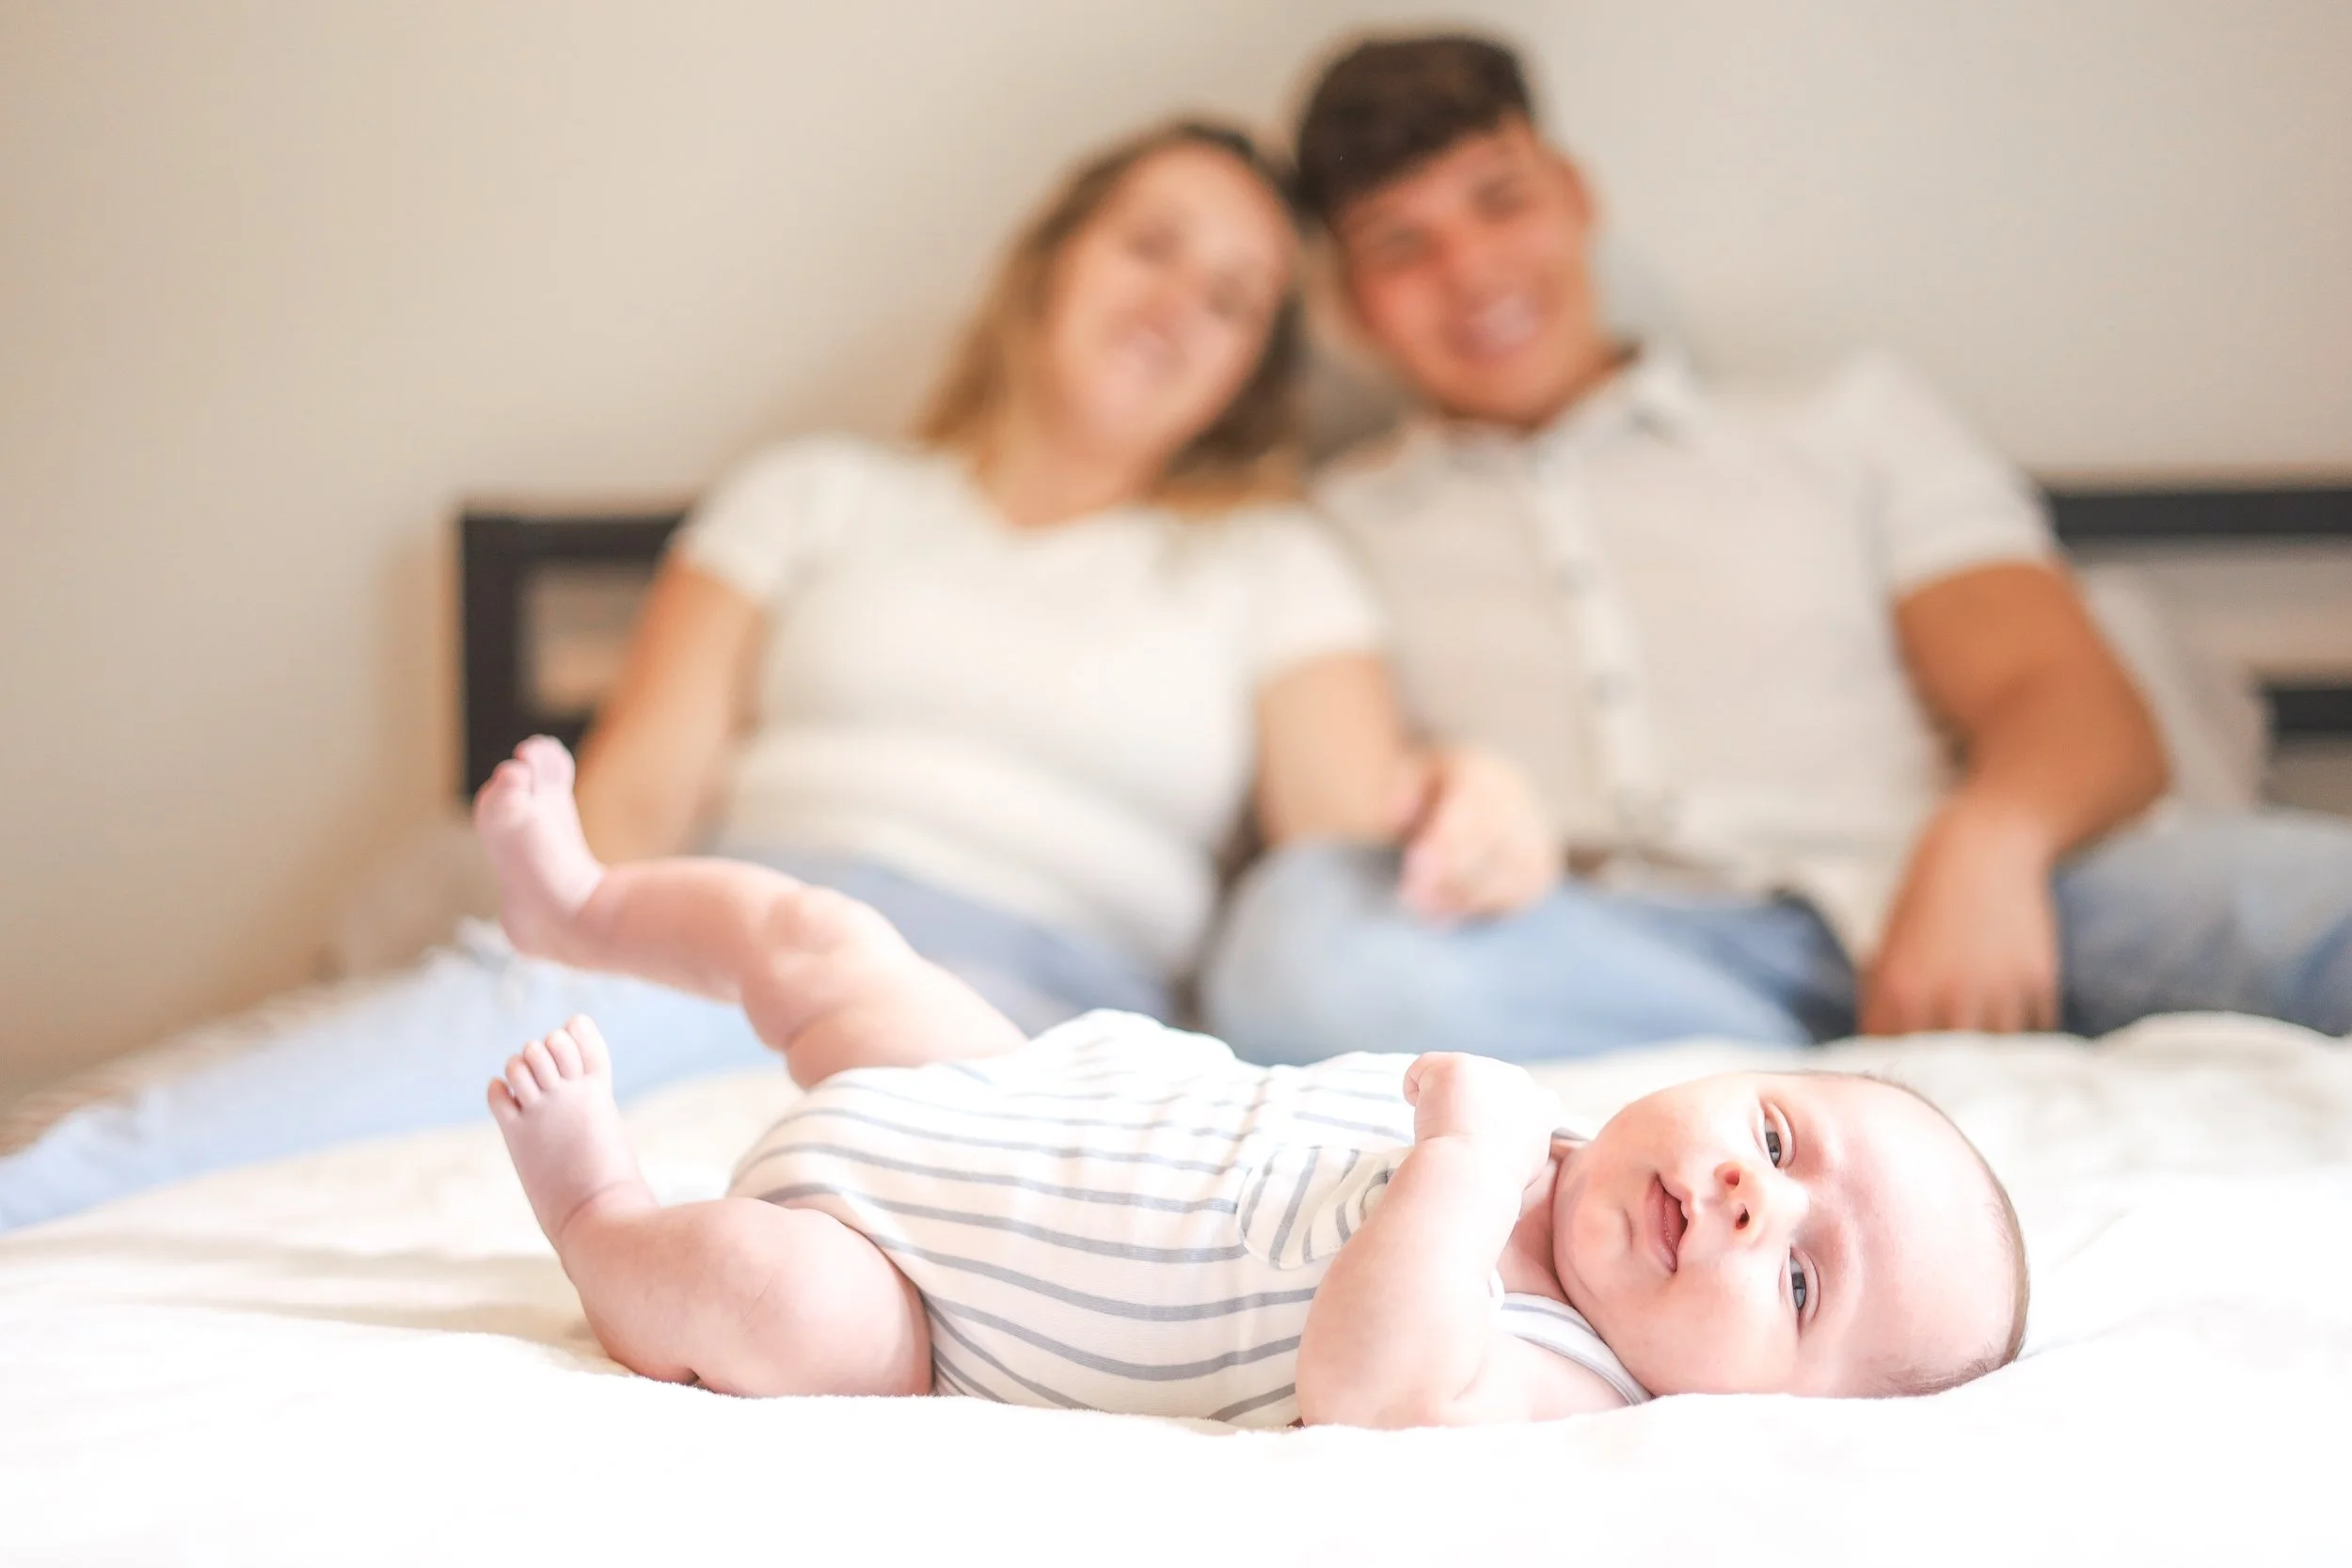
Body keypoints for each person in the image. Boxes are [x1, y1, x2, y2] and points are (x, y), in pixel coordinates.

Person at [0, 119, 1550, 1232]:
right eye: (1153, 245)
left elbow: (1352, 851)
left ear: (1250, 371)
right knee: (372, 1061)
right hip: (730, 928)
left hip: (1031, 1006)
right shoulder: (817, 494)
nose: (1178, 304)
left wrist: (1472, 796)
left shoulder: (1268, 563)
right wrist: (571, 941)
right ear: (1051, 260)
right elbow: (641, 795)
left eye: (1234, 301)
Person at [1200, 34, 2352, 1065]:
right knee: (1297, 947)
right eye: (1402, 245)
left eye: (1500, 201)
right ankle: (1795, 1067)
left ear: (1575, 196)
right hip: (1602, 957)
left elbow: (2071, 705)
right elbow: (1344, 817)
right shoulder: (1324, 530)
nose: (1470, 272)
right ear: (1347, 302)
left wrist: (1987, 846)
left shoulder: (1845, 419)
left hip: (1980, 893)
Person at [476, 735, 2026, 1423]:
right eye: (1775, 1129)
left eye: (1807, 1284)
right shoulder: (1548, 1131)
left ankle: (603, 1214)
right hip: (1007, 1092)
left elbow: (1367, 1383)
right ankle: (587, 909)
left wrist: (1464, 1166)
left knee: (769, 1298)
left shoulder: (1558, 1370)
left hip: (923, 1304)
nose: (1758, 1196)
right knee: (822, 938)